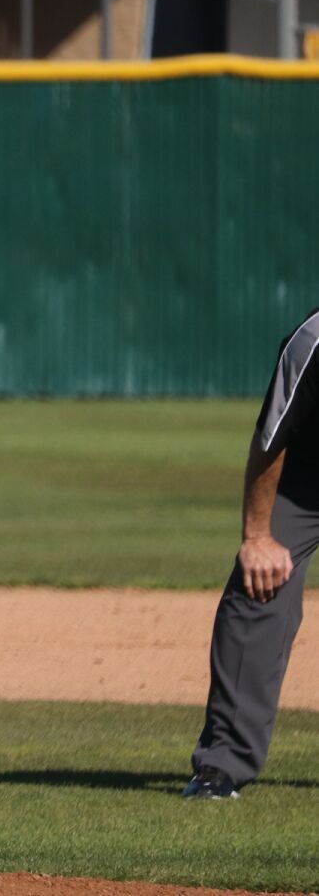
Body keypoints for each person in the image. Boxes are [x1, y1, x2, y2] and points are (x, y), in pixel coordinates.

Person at [184, 306, 319, 799]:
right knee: (259, 582)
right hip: (308, 476)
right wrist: (258, 537)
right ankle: (222, 766)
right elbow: (272, 437)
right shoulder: (314, 340)